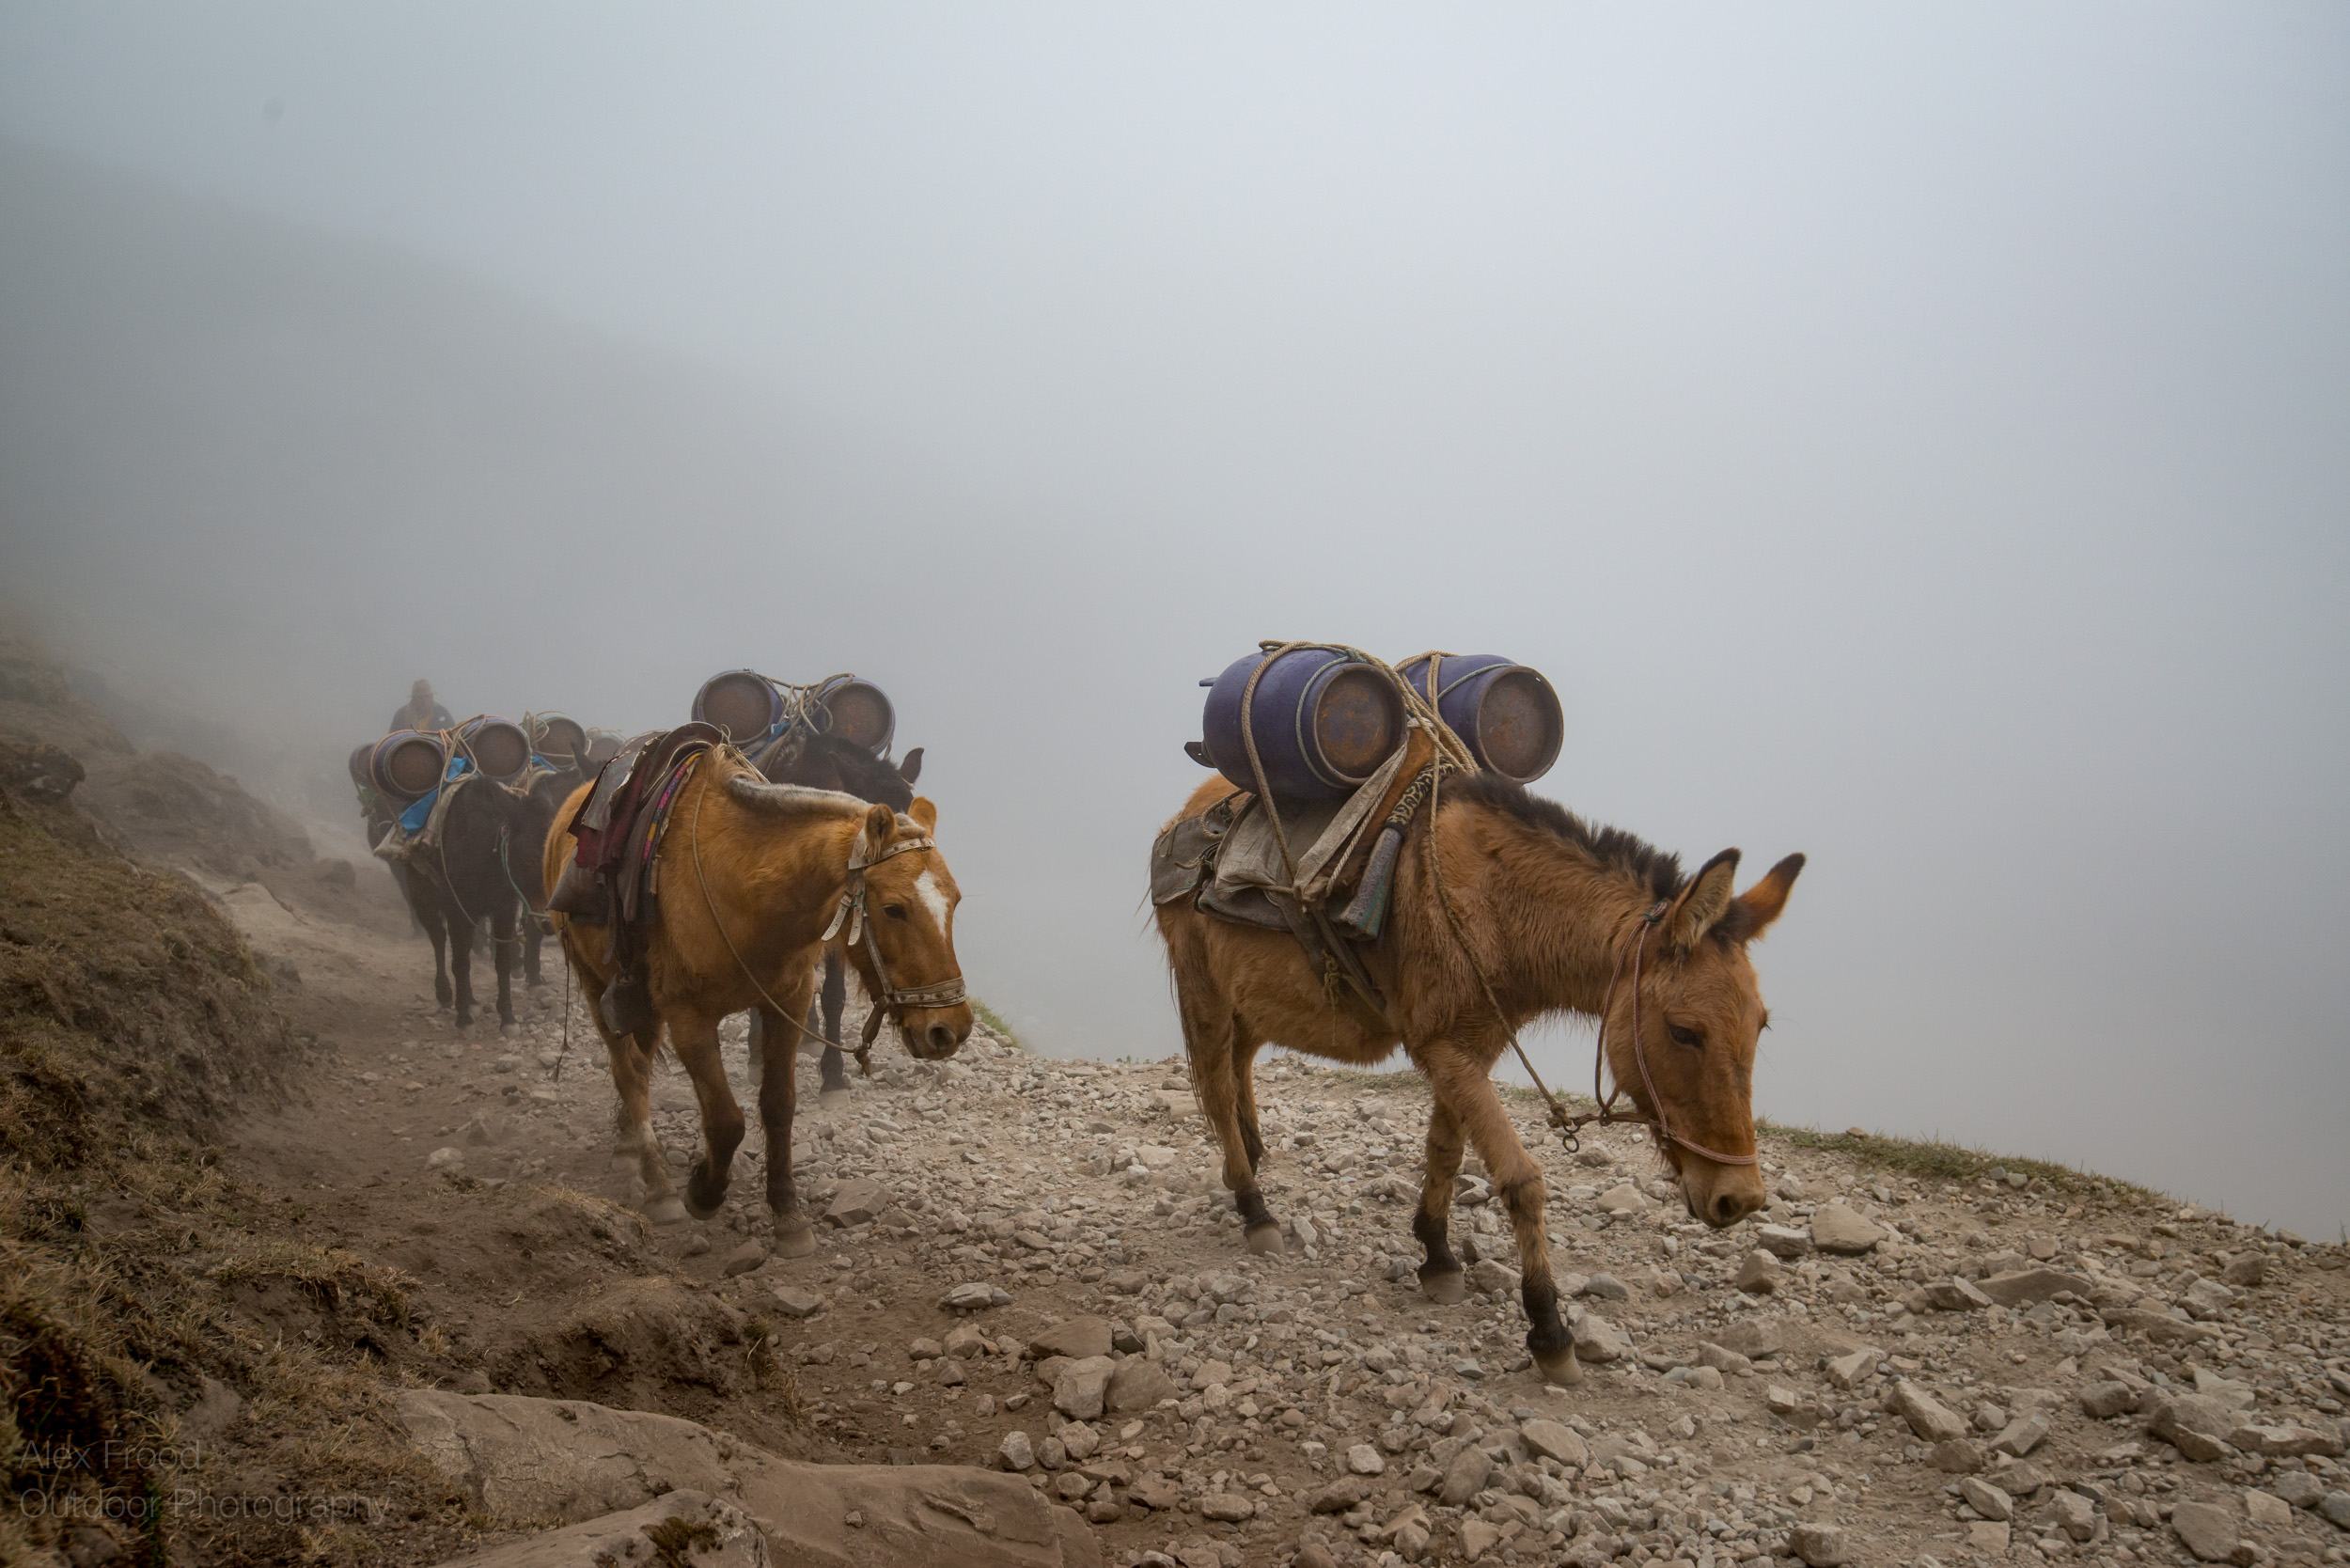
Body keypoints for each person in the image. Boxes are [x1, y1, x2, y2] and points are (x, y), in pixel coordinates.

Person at [391, 679, 455, 734]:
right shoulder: (401, 715)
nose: (425, 701)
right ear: (414, 699)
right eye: (420, 698)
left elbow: (453, 735)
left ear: (431, 697)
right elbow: (393, 739)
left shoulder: (442, 713)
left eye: (427, 697)